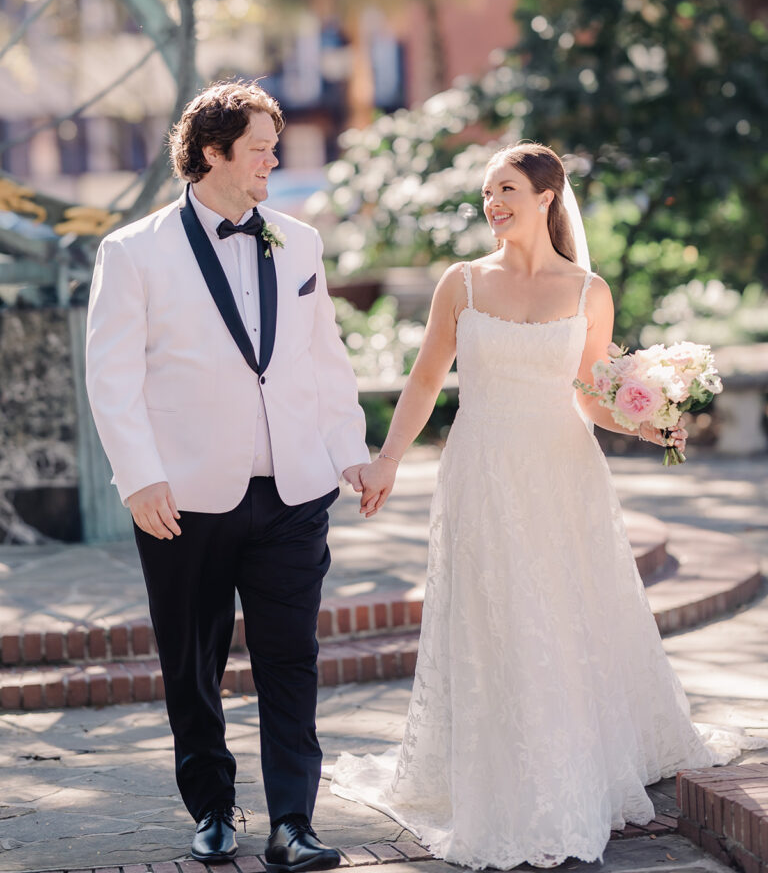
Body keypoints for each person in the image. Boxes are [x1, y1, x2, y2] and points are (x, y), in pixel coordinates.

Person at [331, 142, 760, 869]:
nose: (492, 204)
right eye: (486, 192)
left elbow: (593, 396)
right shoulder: (461, 285)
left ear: (546, 196)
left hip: (564, 472)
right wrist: (387, 461)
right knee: (494, 610)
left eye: (505, 189)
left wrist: (650, 422)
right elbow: (427, 378)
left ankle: (569, 762)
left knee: (561, 612)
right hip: (481, 469)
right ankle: (498, 767)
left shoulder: (588, 290)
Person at [86, 80, 369, 867]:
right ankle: (211, 808)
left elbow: (324, 361)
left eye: (273, 148)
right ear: (212, 153)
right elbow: (112, 379)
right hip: (182, 499)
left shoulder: (298, 240)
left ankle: (294, 823)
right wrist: (140, 479)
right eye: (259, 149)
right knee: (193, 662)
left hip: (292, 493)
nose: (273, 162)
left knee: (291, 660)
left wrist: (352, 451)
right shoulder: (132, 250)